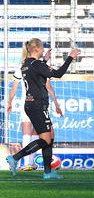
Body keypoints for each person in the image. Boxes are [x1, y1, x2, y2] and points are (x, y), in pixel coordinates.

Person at [5, 38, 80, 179]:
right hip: (37, 105)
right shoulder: (36, 64)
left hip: (32, 105)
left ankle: (48, 172)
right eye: (43, 48)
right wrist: (71, 56)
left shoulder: (26, 64)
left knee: (50, 136)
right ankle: (15, 158)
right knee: (45, 140)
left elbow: (37, 73)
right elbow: (58, 74)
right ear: (37, 49)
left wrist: (45, 61)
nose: (44, 50)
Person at [7, 62, 63, 171]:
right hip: (36, 104)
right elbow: (49, 86)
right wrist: (56, 103)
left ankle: (27, 163)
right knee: (42, 135)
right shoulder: (39, 66)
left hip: (27, 104)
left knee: (32, 134)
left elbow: (14, 86)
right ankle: (27, 162)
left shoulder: (23, 66)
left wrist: (10, 102)